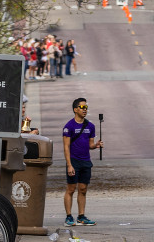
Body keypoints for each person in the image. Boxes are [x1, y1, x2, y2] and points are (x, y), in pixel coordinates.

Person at [62, 97, 103, 227]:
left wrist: (96, 145)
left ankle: (81, 216)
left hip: (86, 161)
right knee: (71, 188)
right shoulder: (69, 127)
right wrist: (69, 164)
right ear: (75, 110)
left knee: (83, 189)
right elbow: (66, 147)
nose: (85, 110)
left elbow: (90, 145)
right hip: (73, 161)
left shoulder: (90, 126)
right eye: (82, 107)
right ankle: (69, 217)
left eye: (86, 107)